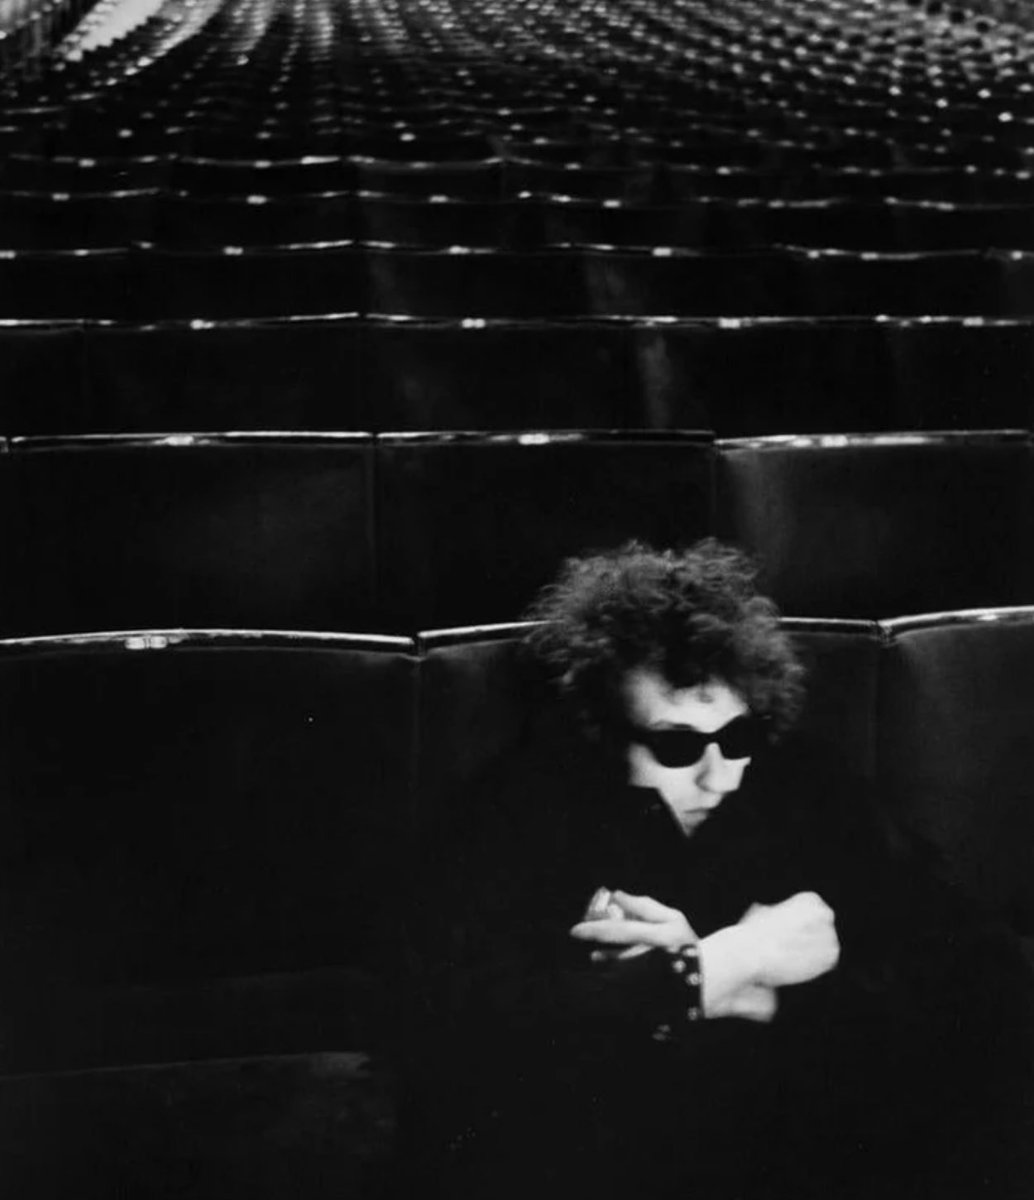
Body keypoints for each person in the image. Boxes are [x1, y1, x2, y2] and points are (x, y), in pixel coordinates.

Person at [403, 540, 1034, 1200]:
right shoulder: (521, 812)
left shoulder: (810, 790)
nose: (720, 776)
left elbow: (987, 981)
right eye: (676, 746)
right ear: (602, 731)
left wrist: (766, 998)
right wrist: (720, 966)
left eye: (737, 738)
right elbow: (455, 1029)